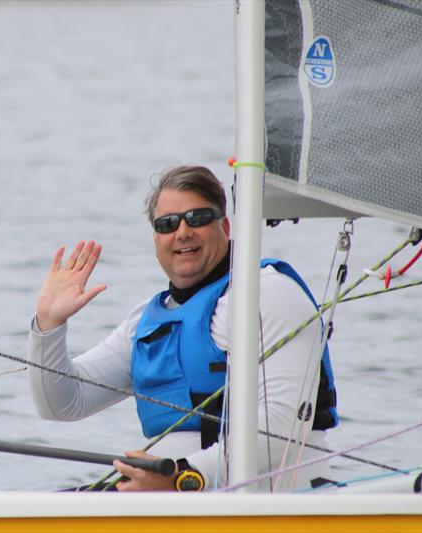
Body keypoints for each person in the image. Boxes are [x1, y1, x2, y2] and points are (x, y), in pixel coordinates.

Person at [28, 165, 338, 492]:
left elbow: (284, 426)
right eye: (167, 224)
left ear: (226, 225)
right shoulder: (144, 322)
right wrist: (49, 324)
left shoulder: (269, 294)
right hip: (175, 503)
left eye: (198, 218)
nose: (183, 232)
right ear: (156, 238)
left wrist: (183, 477)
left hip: (275, 505)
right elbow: (60, 404)